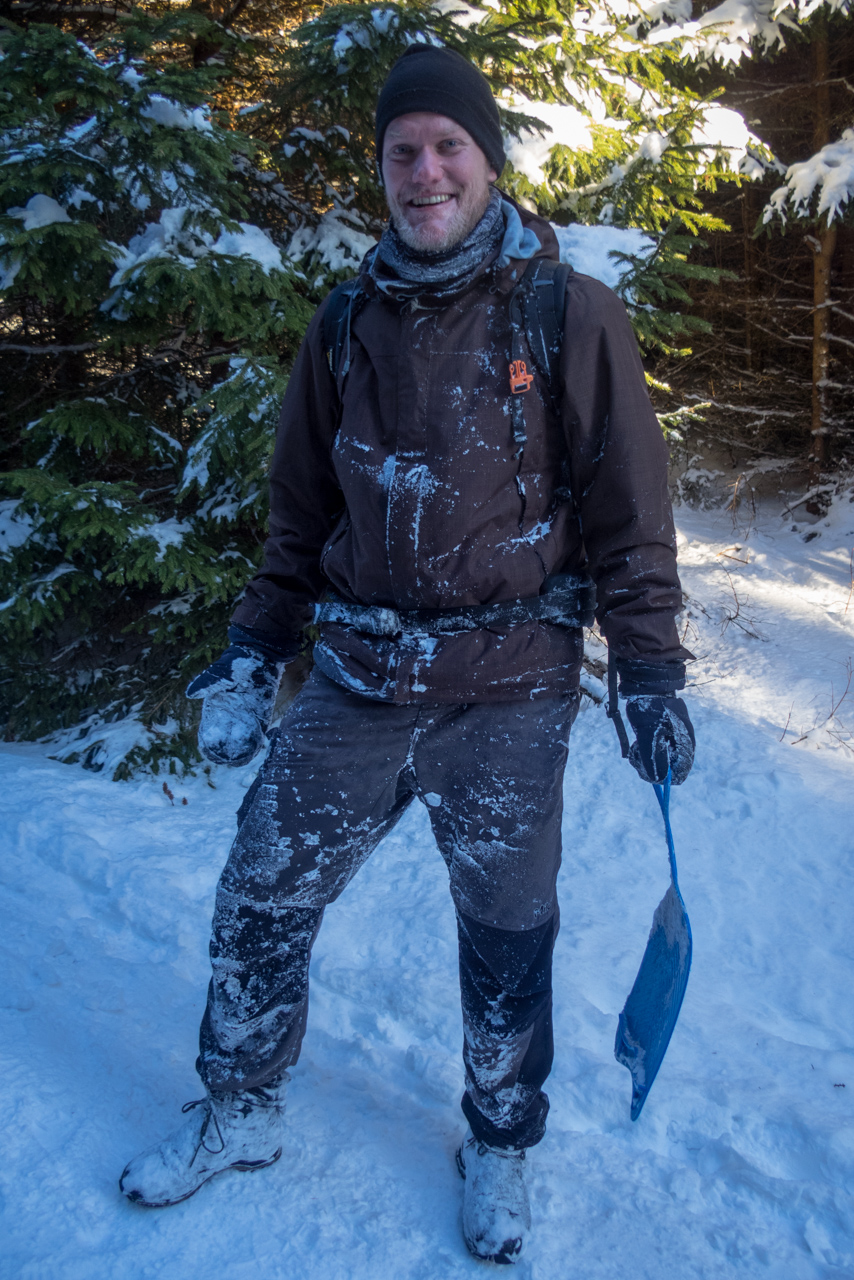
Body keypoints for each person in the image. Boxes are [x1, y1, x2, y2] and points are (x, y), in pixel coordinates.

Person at [119, 45, 694, 1264]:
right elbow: (298, 518)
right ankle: (241, 1103)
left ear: (486, 158)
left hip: (507, 684)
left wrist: (647, 670)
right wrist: (248, 651)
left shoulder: (565, 311)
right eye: (402, 151)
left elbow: (627, 517)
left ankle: (498, 1138)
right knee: (261, 888)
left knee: (504, 928)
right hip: (357, 676)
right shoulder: (343, 326)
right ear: (382, 169)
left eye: (447, 146)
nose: (424, 171)